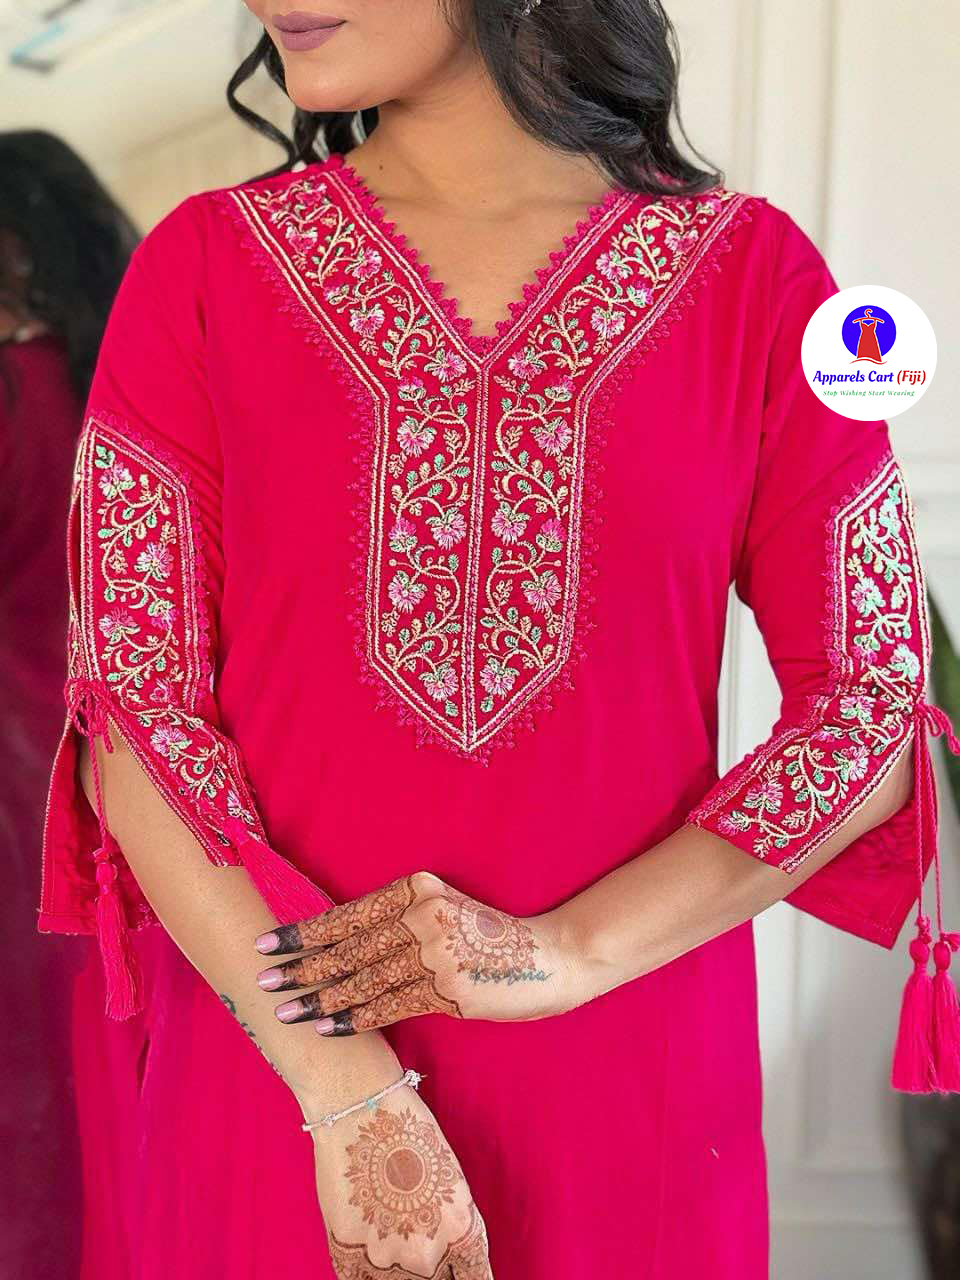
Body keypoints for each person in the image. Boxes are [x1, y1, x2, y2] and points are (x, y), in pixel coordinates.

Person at [38, 4, 959, 1278]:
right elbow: (133, 710)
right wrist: (347, 1094)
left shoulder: (759, 280)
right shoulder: (201, 267)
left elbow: (870, 708)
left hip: (629, 1078)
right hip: (284, 1072)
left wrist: (563, 953)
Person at [0, 130, 138, 1279]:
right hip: (137, 795)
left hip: (12, 794)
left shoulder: (13, 396)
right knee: (110, 1094)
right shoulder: (141, 397)